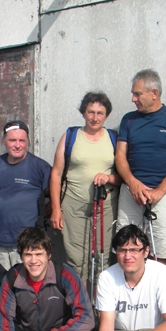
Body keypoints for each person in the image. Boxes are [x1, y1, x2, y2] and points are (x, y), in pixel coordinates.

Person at [115, 69, 166, 268]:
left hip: (163, 195)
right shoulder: (128, 119)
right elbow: (120, 156)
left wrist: (159, 191)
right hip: (131, 194)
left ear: (154, 93)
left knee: (162, 255)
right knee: (126, 250)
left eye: (137, 94)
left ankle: (160, 291)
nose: (133, 99)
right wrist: (132, 183)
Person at [49, 92, 121, 287]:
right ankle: (79, 301)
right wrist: (56, 209)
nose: (95, 117)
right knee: (76, 259)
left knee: (102, 259)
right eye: (91, 112)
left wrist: (108, 178)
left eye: (100, 113)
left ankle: (100, 301)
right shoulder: (71, 136)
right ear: (83, 113)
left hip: (105, 205)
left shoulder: (113, 138)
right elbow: (56, 174)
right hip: (73, 205)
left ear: (106, 115)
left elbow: (123, 176)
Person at [0, 120, 51, 271]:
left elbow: (57, 197)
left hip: (29, 244)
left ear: (28, 141)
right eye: (12, 140)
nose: (17, 145)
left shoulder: (40, 167)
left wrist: (44, 219)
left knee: (27, 283)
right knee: (2, 283)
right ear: (4, 141)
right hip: (0, 241)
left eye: (22, 140)